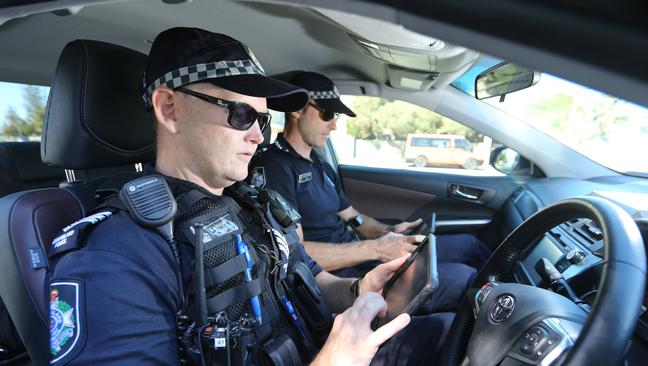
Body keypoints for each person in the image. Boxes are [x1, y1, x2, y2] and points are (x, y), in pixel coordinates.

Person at [47, 28, 452, 366]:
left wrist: (359, 289)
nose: (258, 135)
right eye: (240, 115)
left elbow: (311, 278)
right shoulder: (115, 254)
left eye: (261, 119)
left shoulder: (253, 204)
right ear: (169, 108)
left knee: (458, 331)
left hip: (315, 347)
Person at [248, 71, 491, 312]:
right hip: (341, 276)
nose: (334, 125)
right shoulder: (274, 168)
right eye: (327, 114)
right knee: (463, 280)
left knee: (468, 246)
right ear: (297, 110)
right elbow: (294, 253)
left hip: (364, 254)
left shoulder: (318, 162)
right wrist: (376, 248)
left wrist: (390, 232)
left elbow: (353, 217)